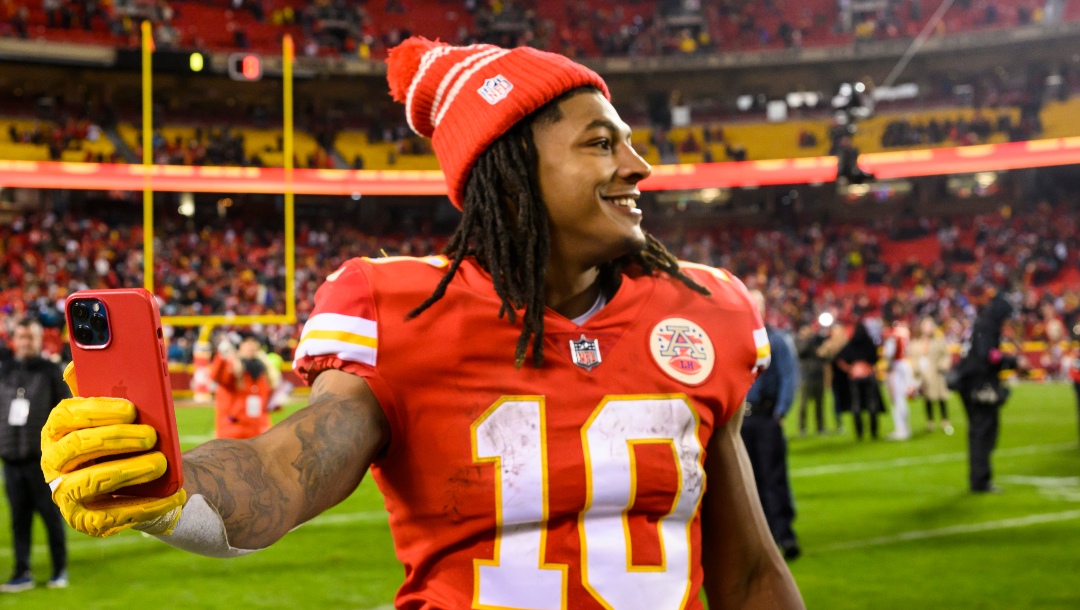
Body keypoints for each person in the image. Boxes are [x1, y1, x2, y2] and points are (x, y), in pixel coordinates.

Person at [41, 38, 804, 609]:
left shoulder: (703, 311)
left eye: (628, 140)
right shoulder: (401, 310)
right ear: (508, 174)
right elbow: (284, 471)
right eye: (601, 143)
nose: (638, 165)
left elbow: (748, 572)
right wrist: (172, 491)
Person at [0, 319, 70, 592]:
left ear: (40, 340)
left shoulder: (51, 372)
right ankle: (22, 572)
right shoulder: (5, 370)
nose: (26, 342)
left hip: (43, 463)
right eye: (21, 336)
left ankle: (59, 569)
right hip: (12, 460)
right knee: (19, 521)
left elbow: (64, 415)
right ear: (14, 339)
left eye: (31, 337)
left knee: (51, 517)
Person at [743, 291, 801, 560]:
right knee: (748, 481)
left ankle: (784, 532)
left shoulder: (776, 340)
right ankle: (762, 537)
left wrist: (779, 411)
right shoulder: (735, 339)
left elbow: (789, 377)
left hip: (765, 417)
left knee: (772, 475)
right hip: (741, 420)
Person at [955, 292, 1018, 493]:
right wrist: (1012, 361)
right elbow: (988, 355)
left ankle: (979, 478)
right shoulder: (987, 327)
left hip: (969, 382)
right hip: (978, 384)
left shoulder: (983, 325)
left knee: (980, 432)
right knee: (983, 432)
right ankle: (980, 480)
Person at [209, 332, 278, 440]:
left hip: (258, 431)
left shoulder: (264, 371)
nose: (251, 346)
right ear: (240, 346)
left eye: (254, 342)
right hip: (233, 431)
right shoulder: (234, 369)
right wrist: (221, 356)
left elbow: (268, 403)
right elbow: (216, 376)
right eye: (247, 342)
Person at [837, 321, 882, 440]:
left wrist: (850, 369)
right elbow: (876, 358)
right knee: (872, 403)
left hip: (855, 377)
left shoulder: (851, 344)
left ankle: (859, 432)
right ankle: (873, 432)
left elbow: (840, 359)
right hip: (868, 375)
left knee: (856, 405)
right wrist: (869, 367)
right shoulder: (869, 344)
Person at [909, 316, 953, 434]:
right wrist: (916, 370)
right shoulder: (915, 342)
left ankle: (945, 420)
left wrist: (942, 366)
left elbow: (946, 355)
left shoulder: (938, 341)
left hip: (936, 373)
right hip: (924, 375)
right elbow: (912, 358)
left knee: (941, 397)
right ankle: (930, 421)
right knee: (927, 398)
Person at [795, 320, 827, 436]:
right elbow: (801, 352)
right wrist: (808, 340)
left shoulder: (815, 340)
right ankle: (802, 428)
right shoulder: (798, 340)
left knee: (820, 404)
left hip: (818, 376)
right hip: (806, 376)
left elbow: (822, 353)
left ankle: (820, 427)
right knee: (803, 404)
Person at [883, 320, 913, 441]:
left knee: (897, 399)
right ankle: (904, 428)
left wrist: (888, 369)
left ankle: (901, 430)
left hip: (897, 368)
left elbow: (889, 354)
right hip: (904, 366)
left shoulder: (892, 336)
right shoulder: (902, 333)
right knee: (900, 399)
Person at [819, 322, 851, 434]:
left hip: (846, 375)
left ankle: (850, 422)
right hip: (835, 376)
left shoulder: (846, 343)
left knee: (847, 398)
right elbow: (820, 353)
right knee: (837, 400)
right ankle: (840, 423)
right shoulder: (830, 344)